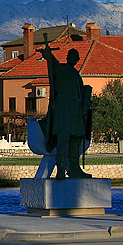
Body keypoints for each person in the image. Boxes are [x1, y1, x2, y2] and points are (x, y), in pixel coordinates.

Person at [38, 43, 93, 180]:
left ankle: (74, 168)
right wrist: (48, 55)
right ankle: (61, 168)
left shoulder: (76, 74)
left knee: (76, 138)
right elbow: (54, 65)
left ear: (77, 60)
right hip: (64, 110)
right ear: (67, 57)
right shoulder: (62, 70)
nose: (72, 59)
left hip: (76, 111)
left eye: (75, 57)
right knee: (63, 139)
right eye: (71, 56)